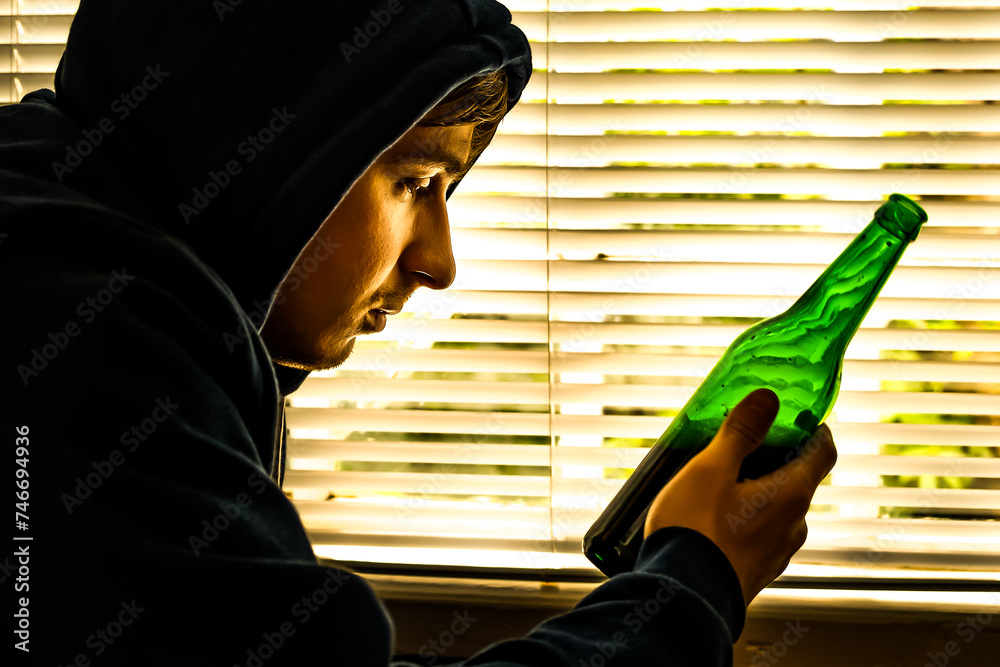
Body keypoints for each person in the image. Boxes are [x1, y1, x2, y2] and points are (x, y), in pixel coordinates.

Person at [1, 0, 836, 665]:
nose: (439, 262)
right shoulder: (88, 356)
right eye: (416, 180)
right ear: (265, 148)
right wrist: (695, 581)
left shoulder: (76, 266)